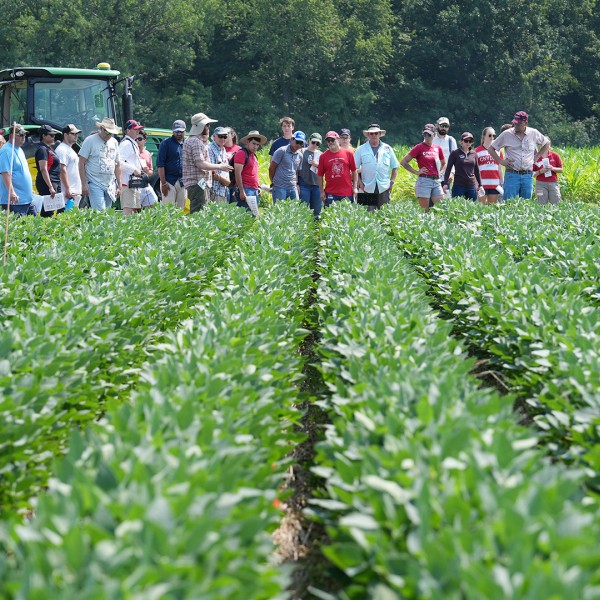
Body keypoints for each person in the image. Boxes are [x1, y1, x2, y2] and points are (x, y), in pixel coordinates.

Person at [487, 111, 550, 200]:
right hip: (512, 174)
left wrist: (536, 157)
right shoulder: (507, 134)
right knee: (508, 203)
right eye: (514, 123)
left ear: (525, 123)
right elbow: (491, 149)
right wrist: (501, 161)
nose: (515, 125)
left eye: (518, 123)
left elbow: (546, 143)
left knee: (525, 204)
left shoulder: (534, 133)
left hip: (527, 175)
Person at [182, 112, 232, 213]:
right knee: (199, 216)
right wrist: (220, 166)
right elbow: (200, 164)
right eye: (207, 125)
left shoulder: (192, 140)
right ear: (202, 126)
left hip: (198, 185)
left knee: (201, 213)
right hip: (198, 184)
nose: (208, 127)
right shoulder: (195, 142)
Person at [400, 124, 446, 213]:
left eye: (429, 135)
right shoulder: (419, 147)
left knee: (440, 209)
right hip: (424, 181)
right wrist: (416, 172)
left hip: (436, 181)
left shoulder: (438, 148)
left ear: (434, 135)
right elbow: (403, 162)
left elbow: (444, 163)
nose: (426, 137)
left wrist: (441, 172)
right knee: (425, 211)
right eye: (425, 134)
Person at [78, 117, 121, 211]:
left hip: (110, 184)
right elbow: (81, 162)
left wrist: (120, 186)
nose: (109, 135)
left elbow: (117, 165)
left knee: (108, 213)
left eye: (111, 133)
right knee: (100, 213)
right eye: (107, 132)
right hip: (94, 182)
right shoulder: (90, 140)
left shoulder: (114, 142)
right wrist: (83, 184)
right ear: (101, 128)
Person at [353, 123, 399, 211]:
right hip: (367, 187)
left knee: (385, 215)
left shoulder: (387, 148)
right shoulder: (361, 149)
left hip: (384, 187)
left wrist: (392, 182)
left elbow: (395, 166)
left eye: (376, 133)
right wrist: (360, 183)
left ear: (380, 134)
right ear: (368, 135)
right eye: (371, 133)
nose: (374, 135)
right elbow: (354, 168)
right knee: (367, 217)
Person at [0, 124, 35, 216]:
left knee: (35, 226)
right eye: (21, 135)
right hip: (15, 201)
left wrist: (29, 189)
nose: (24, 137)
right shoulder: (7, 151)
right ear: (12, 136)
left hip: (26, 199)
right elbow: (6, 173)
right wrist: (11, 193)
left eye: (24, 134)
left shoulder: (20, 150)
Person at [35, 124, 69, 217]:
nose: (54, 137)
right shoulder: (42, 149)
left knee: (59, 208)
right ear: (44, 136)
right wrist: (50, 186)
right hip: (48, 182)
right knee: (48, 210)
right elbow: (43, 169)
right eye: (51, 135)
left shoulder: (48, 148)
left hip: (55, 181)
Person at [317, 131, 356, 208]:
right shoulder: (323, 156)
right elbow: (320, 175)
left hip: (347, 193)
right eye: (328, 141)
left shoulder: (348, 153)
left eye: (332, 140)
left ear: (338, 140)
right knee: (330, 218)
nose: (330, 142)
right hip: (330, 193)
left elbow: (354, 171)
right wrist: (321, 191)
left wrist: (354, 188)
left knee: (346, 218)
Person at [442, 132, 482, 201]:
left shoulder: (474, 154)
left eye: (470, 141)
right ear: (461, 142)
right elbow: (448, 169)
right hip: (458, 185)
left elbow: (476, 170)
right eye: (466, 140)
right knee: (456, 206)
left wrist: (480, 185)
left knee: (472, 208)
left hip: (471, 185)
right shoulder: (455, 153)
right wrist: (445, 183)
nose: (468, 143)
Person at [234, 130, 266, 216]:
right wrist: (241, 191)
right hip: (245, 189)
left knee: (253, 217)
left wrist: (258, 187)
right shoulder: (241, 154)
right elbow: (237, 173)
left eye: (257, 145)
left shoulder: (254, 156)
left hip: (254, 190)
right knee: (245, 217)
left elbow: (254, 173)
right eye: (253, 143)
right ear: (247, 142)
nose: (255, 147)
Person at [269, 131, 305, 202]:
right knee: (279, 211)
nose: (298, 144)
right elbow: (271, 168)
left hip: (292, 186)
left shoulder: (300, 156)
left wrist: (297, 184)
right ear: (292, 139)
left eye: (301, 143)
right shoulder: (281, 151)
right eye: (297, 141)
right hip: (279, 187)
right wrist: (273, 182)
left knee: (295, 210)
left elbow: (296, 172)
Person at [157, 119, 186, 209]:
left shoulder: (187, 143)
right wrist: (163, 183)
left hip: (182, 182)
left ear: (184, 131)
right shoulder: (165, 143)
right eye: (176, 131)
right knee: (168, 210)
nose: (178, 133)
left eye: (181, 131)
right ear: (173, 131)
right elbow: (160, 164)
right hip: (169, 181)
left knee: (180, 211)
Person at [119, 119, 146, 216]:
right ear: (127, 130)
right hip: (127, 183)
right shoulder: (126, 144)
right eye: (135, 129)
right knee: (128, 213)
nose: (138, 132)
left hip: (133, 183)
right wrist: (133, 170)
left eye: (138, 130)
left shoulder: (132, 143)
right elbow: (118, 162)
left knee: (134, 212)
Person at [55, 124, 83, 209]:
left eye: (77, 134)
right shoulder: (62, 150)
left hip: (74, 192)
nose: (76, 136)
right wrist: (68, 188)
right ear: (65, 135)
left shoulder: (70, 150)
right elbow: (62, 170)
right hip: (68, 193)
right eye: (73, 134)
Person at [475, 127, 503, 205]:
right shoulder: (476, 151)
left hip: (495, 184)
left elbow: (499, 168)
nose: (492, 137)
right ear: (484, 136)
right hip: (482, 184)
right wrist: (476, 184)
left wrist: (502, 183)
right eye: (490, 135)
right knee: (481, 208)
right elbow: (475, 170)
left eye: (494, 135)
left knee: (492, 208)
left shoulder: (497, 151)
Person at [298, 133, 322, 218]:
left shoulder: (321, 154)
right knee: (302, 211)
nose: (315, 145)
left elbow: (325, 169)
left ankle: (316, 230)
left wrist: (318, 165)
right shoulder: (301, 152)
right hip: (303, 183)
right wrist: (297, 184)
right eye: (313, 142)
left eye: (318, 143)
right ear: (309, 141)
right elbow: (296, 169)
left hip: (317, 185)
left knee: (317, 212)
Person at [533, 140, 563, 205]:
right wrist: (540, 171)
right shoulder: (536, 157)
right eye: (543, 144)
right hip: (540, 184)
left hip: (553, 183)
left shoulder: (555, 156)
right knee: (541, 203)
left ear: (550, 145)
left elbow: (561, 170)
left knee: (556, 202)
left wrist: (552, 168)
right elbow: (532, 174)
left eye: (547, 144)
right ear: (540, 145)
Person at [433, 116, 457, 192]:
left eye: (446, 126)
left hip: (446, 177)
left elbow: (455, 159)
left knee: (445, 201)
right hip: (432, 176)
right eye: (442, 125)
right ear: (437, 126)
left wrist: (452, 173)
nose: (444, 128)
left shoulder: (451, 140)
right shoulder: (431, 138)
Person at [208, 126, 231, 203]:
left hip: (223, 191)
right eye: (220, 136)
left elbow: (226, 169)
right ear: (214, 136)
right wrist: (224, 181)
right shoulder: (209, 148)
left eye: (225, 137)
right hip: (213, 190)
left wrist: (227, 180)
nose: (223, 139)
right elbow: (211, 171)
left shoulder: (223, 149)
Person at [136, 131, 158, 209]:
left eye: (139, 139)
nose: (137, 141)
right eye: (135, 139)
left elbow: (151, 173)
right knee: (135, 209)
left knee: (154, 201)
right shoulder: (131, 152)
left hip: (145, 183)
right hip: (134, 184)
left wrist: (147, 171)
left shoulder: (147, 154)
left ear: (145, 140)